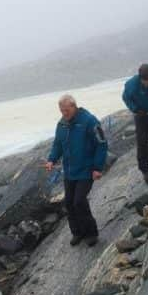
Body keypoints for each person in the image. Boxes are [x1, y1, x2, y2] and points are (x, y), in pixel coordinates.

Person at [45, 94, 108, 246]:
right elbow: (57, 144)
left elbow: (101, 144)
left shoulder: (89, 121)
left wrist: (98, 168)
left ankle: (91, 233)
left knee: (79, 201)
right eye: (61, 111)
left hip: (86, 169)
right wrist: (51, 159)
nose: (64, 114)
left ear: (74, 106)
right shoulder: (61, 124)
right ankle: (77, 232)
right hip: (69, 171)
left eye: (66, 110)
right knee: (69, 203)